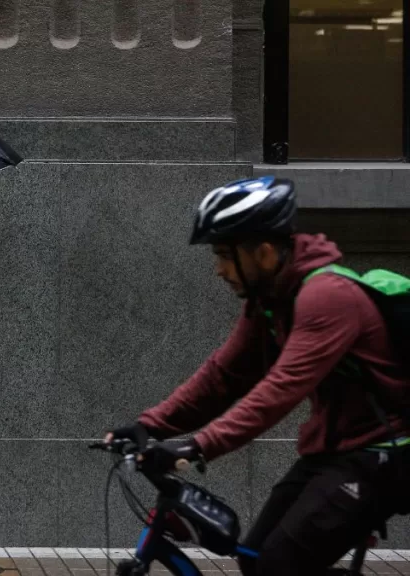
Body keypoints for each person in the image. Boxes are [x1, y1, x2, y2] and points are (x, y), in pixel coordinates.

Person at [105, 176, 410, 575]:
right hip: (332, 453)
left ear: (264, 253)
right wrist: (149, 425)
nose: (218, 270)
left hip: (382, 456)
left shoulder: (327, 298)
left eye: (225, 256)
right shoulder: (269, 301)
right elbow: (223, 377)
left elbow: (279, 391)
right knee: (253, 558)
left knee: (277, 565)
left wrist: (197, 446)